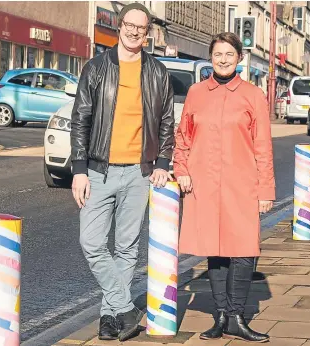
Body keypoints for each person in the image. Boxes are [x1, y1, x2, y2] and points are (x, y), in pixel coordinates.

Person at [70, 3, 174, 342]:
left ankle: (109, 317)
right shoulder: (97, 68)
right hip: (99, 171)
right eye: (129, 25)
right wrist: (79, 170)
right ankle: (126, 308)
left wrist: (161, 163)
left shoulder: (158, 72)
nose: (134, 31)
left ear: (148, 34)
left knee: (127, 248)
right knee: (92, 242)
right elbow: (81, 119)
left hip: (139, 173)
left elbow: (166, 123)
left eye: (141, 28)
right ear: (119, 26)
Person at [173, 32, 275, 343]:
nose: (223, 59)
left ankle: (236, 316)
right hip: (204, 185)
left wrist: (266, 191)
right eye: (218, 54)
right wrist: (182, 170)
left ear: (239, 58)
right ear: (210, 57)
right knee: (214, 251)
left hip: (241, 185)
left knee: (243, 251)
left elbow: (263, 147)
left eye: (229, 54)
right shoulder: (196, 93)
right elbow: (183, 137)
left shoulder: (253, 95)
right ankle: (220, 317)